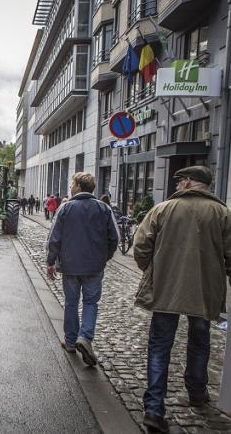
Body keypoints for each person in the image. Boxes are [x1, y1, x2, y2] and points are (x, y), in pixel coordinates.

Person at [133, 166, 231, 433]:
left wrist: (153, 270)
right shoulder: (222, 213)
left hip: (167, 288)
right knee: (200, 340)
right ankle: (197, 391)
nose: (177, 186)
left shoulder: (163, 209)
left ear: (189, 183)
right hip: (205, 291)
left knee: (160, 345)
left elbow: (141, 246)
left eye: (180, 181)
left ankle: (154, 409)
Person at [47, 172, 118, 367]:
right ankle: (85, 337)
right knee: (90, 303)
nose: (70, 186)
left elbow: (54, 238)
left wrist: (51, 261)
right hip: (94, 266)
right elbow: (114, 238)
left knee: (71, 303)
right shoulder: (104, 209)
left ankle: (71, 342)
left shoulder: (66, 208)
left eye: (72, 183)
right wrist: (104, 257)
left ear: (78, 186)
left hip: (70, 265)